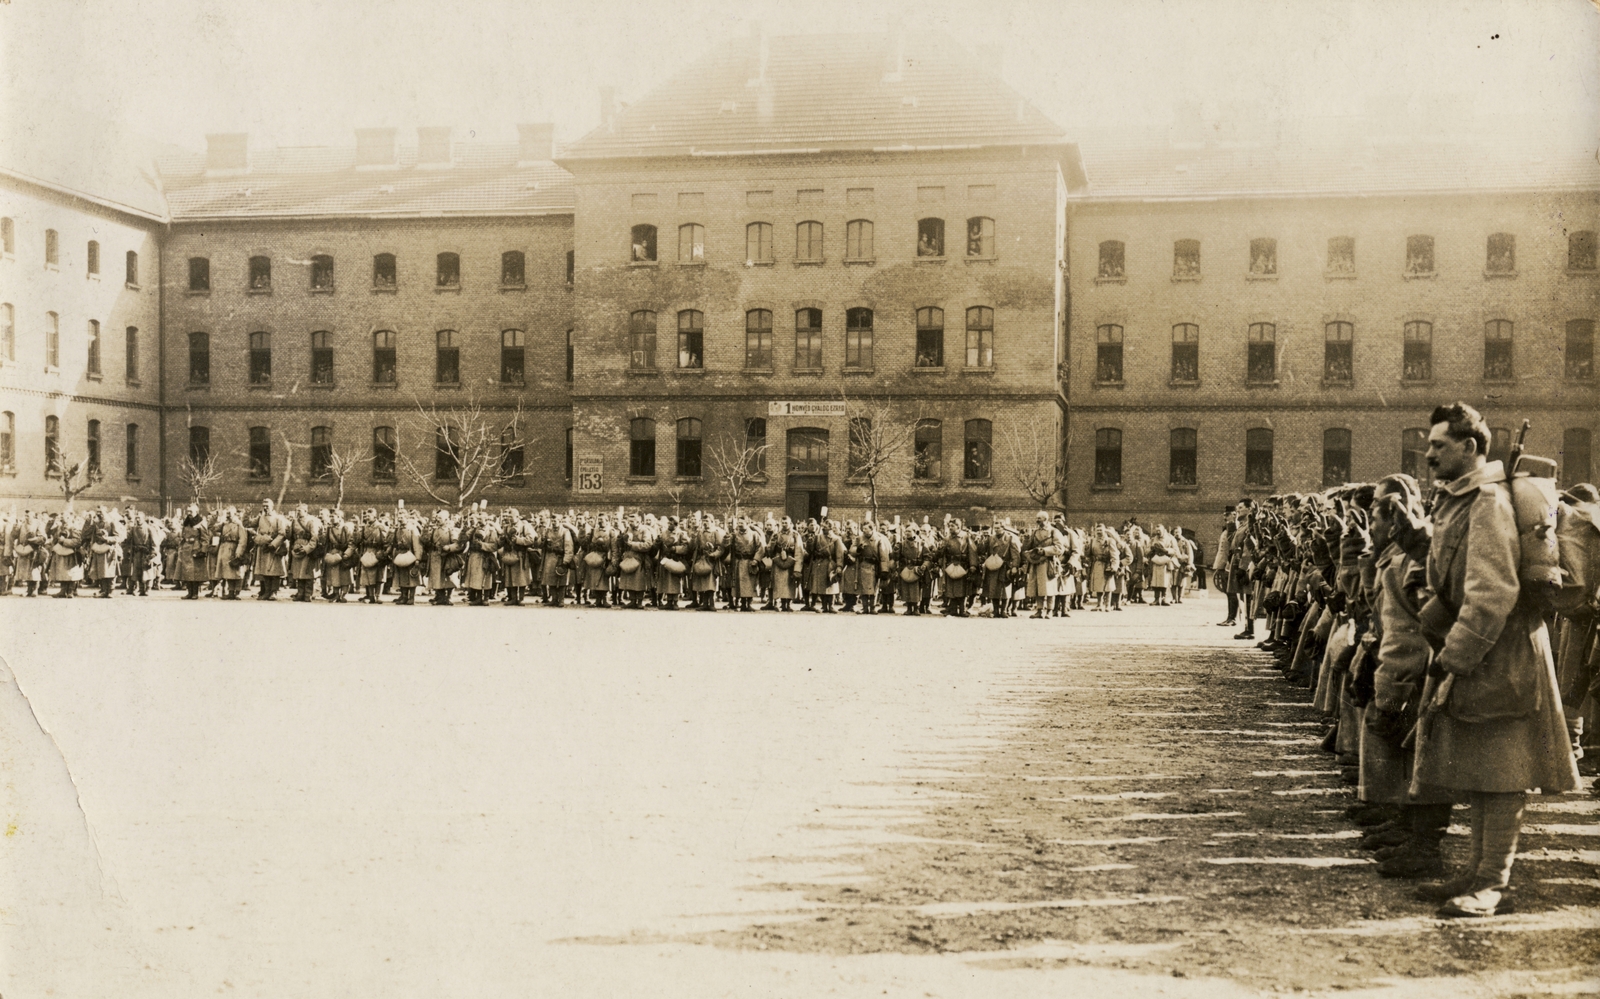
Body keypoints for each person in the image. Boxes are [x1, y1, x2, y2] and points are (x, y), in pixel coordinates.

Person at [1410, 403, 1580, 917]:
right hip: (1486, 648)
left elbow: (1491, 593)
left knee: (1506, 771)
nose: (1430, 454)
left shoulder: (1487, 502)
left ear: (1471, 448)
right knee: (1484, 767)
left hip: (1500, 651)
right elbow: (1457, 581)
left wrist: (1453, 657)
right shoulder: (1463, 500)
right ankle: (1477, 870)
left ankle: (1492, 883)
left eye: (1440, 446)